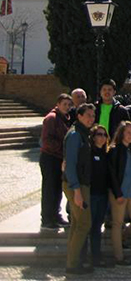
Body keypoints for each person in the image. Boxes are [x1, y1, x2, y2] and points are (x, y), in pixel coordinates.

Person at [62, 103, 96, 276]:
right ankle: (72, 264)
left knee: (77, 224)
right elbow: (71, 165)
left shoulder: (83, 133)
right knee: (83, 223)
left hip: (81, 184)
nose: (91, 118)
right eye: (88, 115)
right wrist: (76, 191)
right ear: (79, 116)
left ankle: (73, 261)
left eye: (93, 115)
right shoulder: (76, 135)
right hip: (77, 185)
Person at [108, 121, 131, 267]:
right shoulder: (114, 150)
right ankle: (119, 257)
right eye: (128, 132)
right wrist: (118, 194)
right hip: (120, 194)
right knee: (117, 223)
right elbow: (111, 174)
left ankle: (121, 238)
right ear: (122, 133)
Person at [39, 93, 72, 230]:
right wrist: (63, 148)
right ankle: (47, 218)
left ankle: (55, 215)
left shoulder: (64, 118)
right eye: (64, 104)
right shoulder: (52, 118)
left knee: (57, 188)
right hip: (50, 157)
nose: (67, 107)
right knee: (49, 189)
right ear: (58, 104)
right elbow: (47, 140)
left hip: (58, 158)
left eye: (69, 104)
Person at [86, 125, 111, 267]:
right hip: (91, 194)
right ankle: (83, 256)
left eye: (104, 135)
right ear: (93, 136)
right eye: (99, 134)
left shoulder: (106, 153)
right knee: (88, 226)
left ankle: (96, 256)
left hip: (103, 194)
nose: (102, 137)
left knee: (97, 227)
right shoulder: (89, 152)